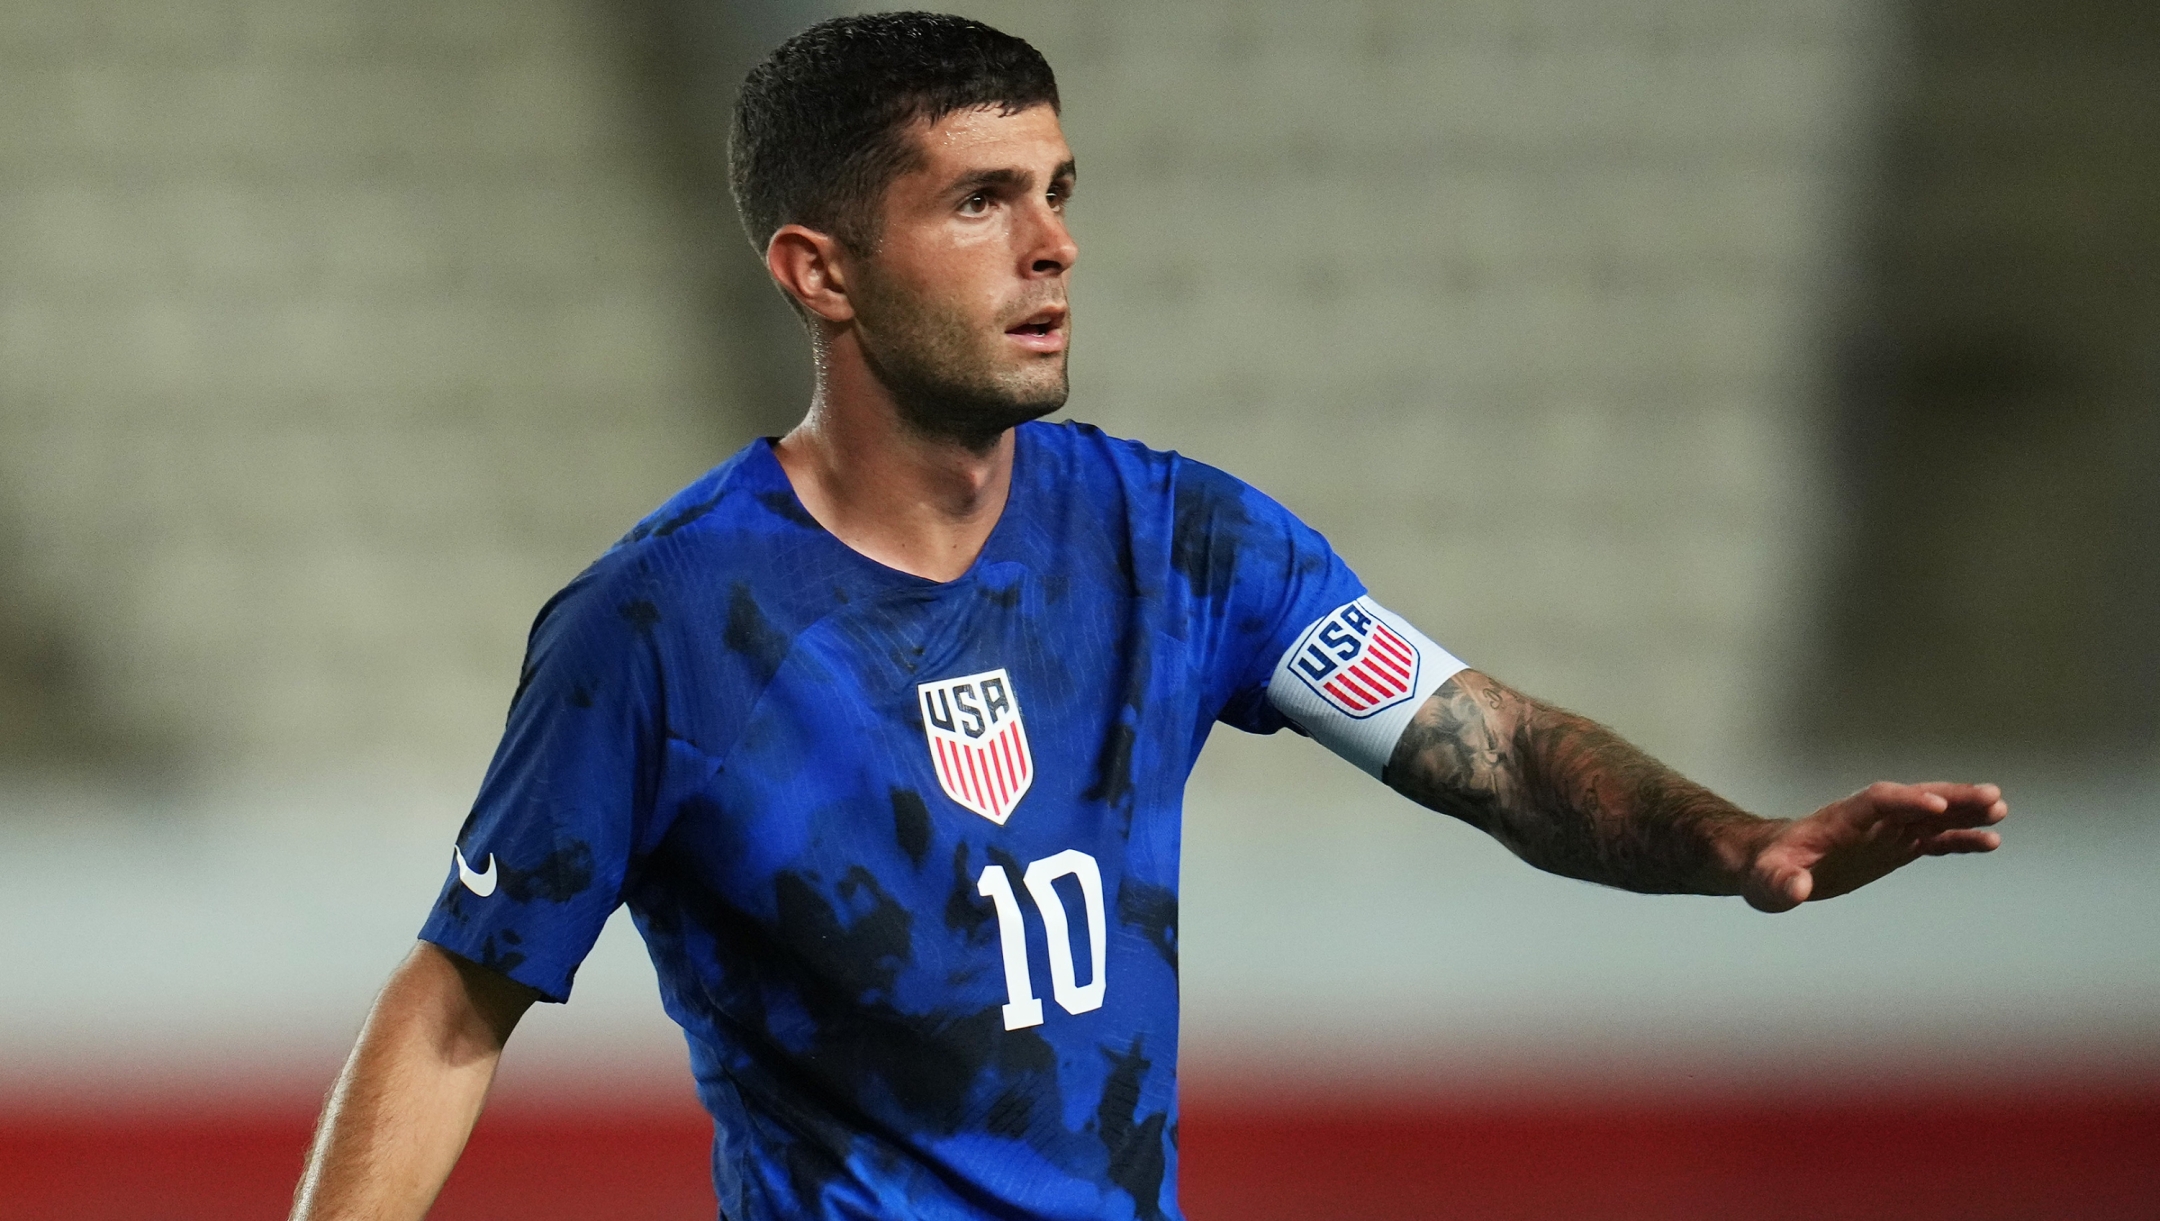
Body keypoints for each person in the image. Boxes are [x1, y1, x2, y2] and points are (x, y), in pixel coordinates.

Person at [288, 13, 2008, 1221]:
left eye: (1061, 190)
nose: (1054, 248)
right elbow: (456, 1002)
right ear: (820, 271)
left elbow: (1489, 748)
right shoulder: (660, 627)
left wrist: (1738, 844)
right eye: (981, 201)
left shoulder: (1181, 540)